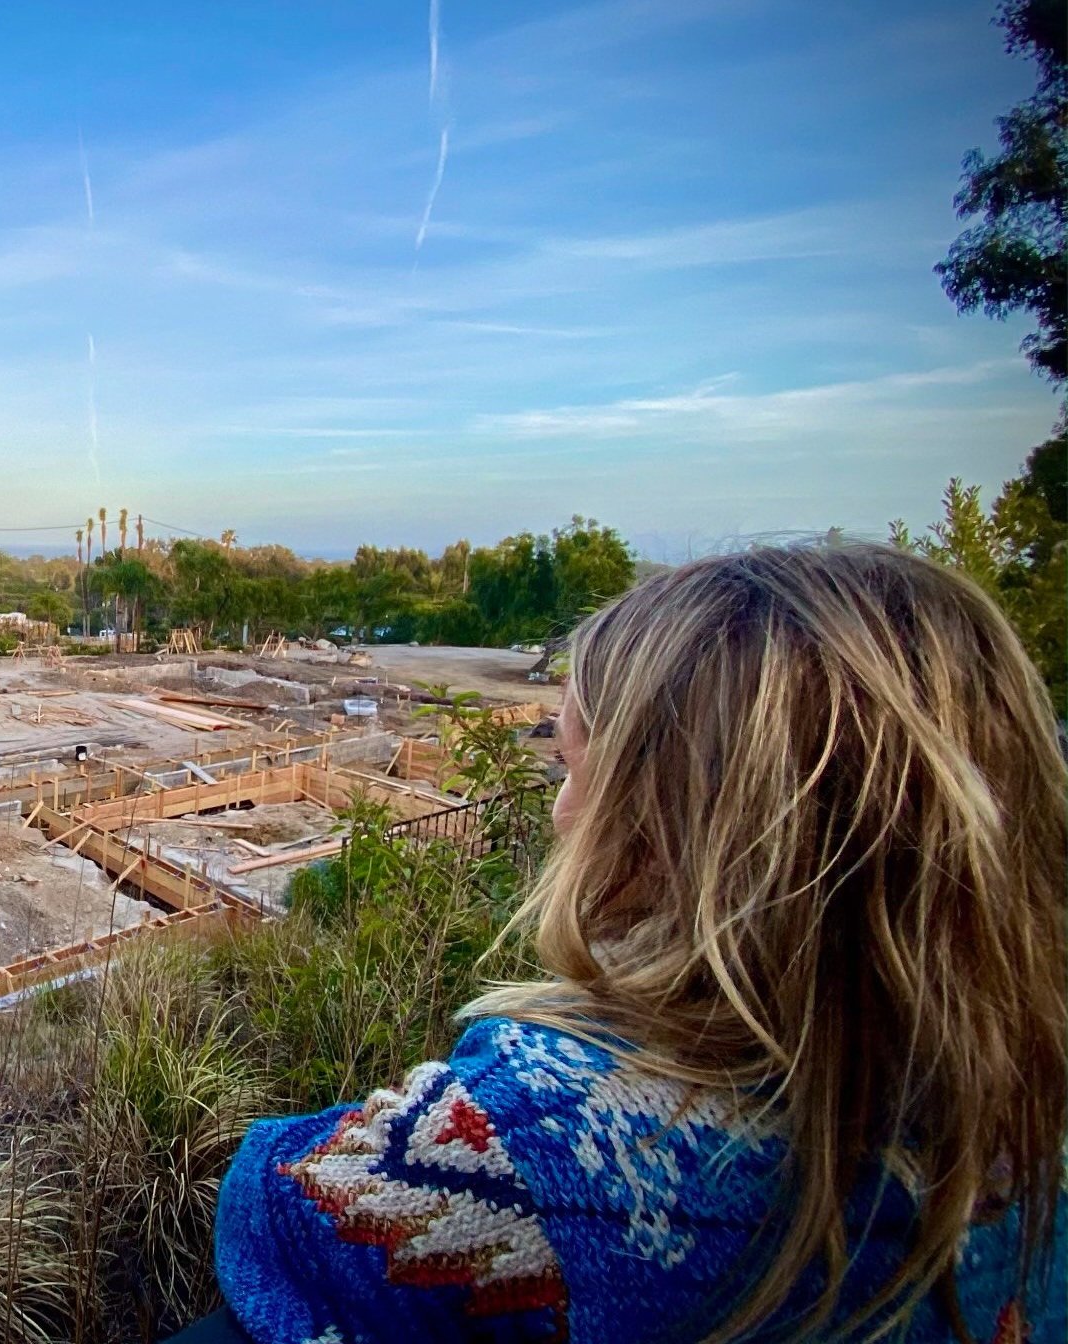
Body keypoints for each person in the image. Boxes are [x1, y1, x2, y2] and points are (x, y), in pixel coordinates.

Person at [204, 545, 1067, 1343]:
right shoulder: (1023, 1135)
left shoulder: (540, 1145)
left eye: (578, 769)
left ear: (686, 827)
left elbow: (273, 1208)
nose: (560, 810)